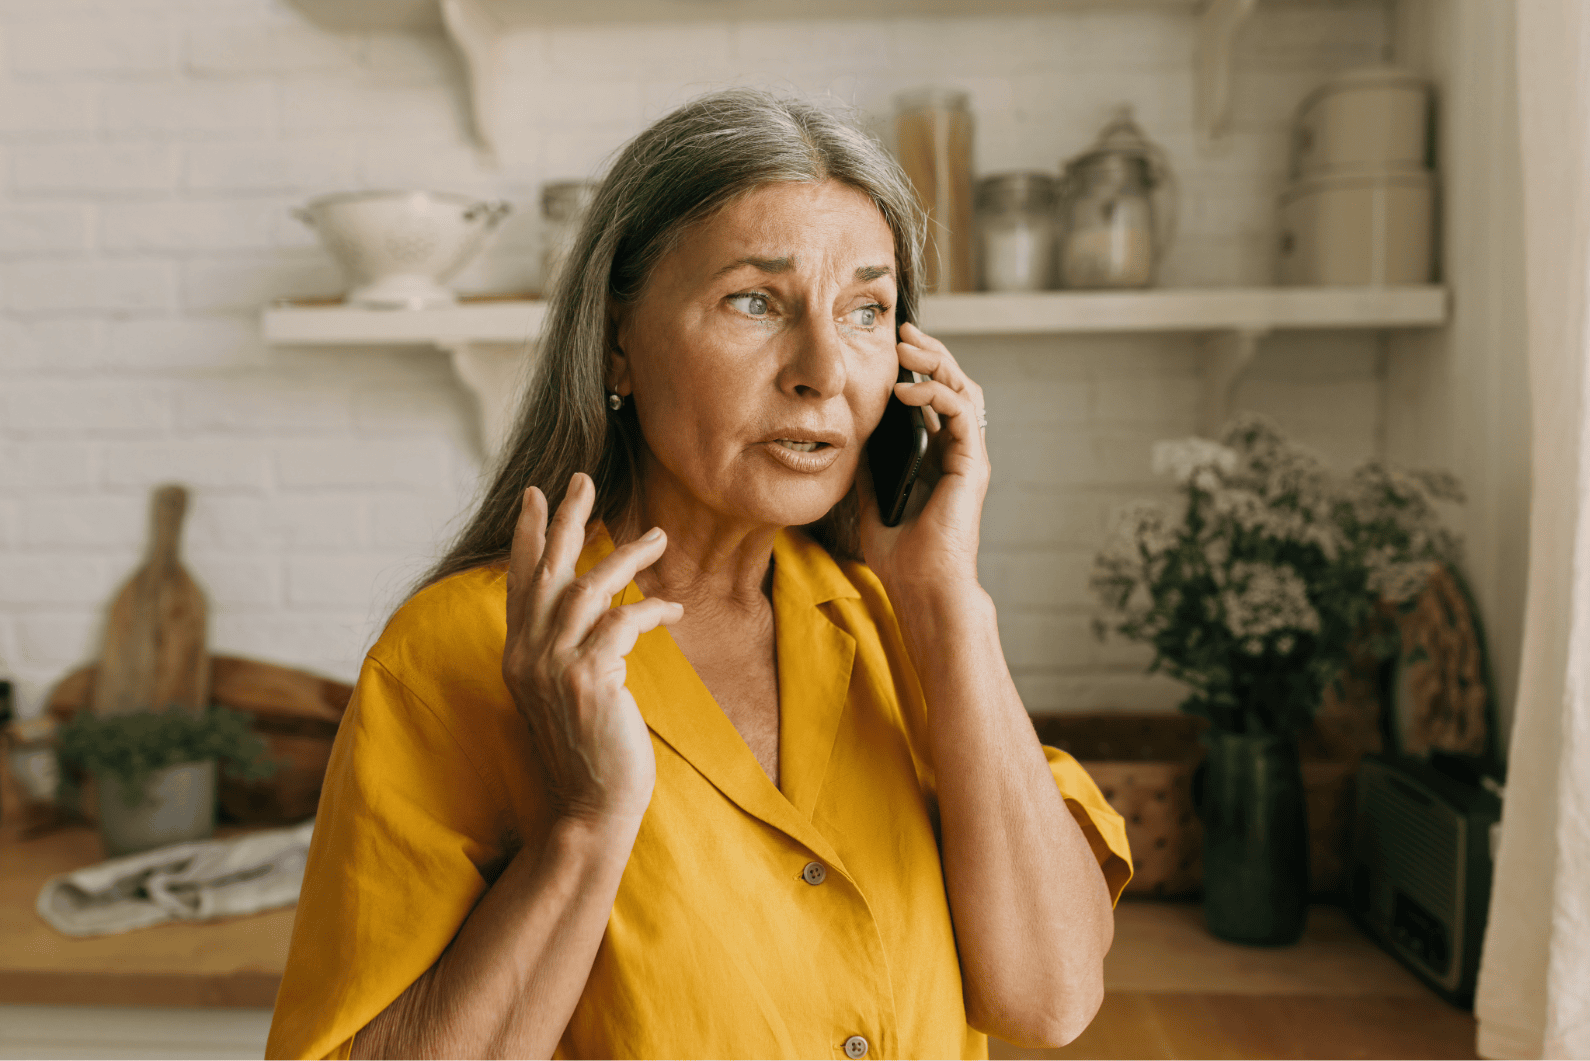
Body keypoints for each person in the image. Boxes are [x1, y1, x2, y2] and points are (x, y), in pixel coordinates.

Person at [265, 89, 1131, 1061]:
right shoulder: (461, 651)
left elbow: (1051, 998)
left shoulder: (905, 627)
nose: (822, 370)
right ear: (618, 344)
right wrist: (584, 825)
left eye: (866, 310)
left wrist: (947, 601)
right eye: (755, 301)